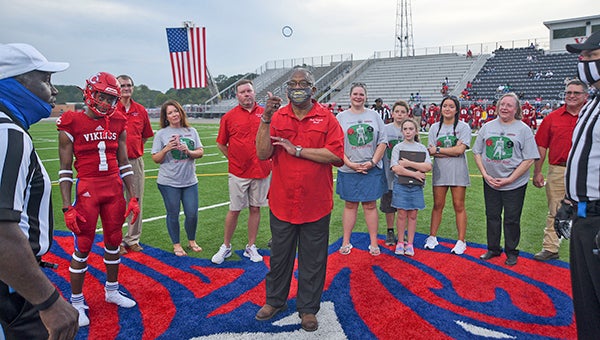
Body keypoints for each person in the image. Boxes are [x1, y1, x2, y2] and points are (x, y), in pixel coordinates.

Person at [254, 68, 344, 332]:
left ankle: (308, 309)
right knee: (280, 257)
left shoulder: (327, 118)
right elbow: (262, 153)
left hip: (315, 203)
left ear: (313, 89)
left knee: (313, 260)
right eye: (292, 83)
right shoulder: (277, 117)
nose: (297, 87)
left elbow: (336, 155)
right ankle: (275, 301)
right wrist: (266, 119)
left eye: (303, 83)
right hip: (283, 201)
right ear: (286, 90)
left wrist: (299, 151)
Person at [0, 43, 79, 339]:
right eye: (45, 80)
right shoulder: (7, 132)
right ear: (16, 83)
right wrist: (47, 301)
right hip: (11, 289)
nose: (53, 91)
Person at [57, 72, 141, 327]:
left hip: (113, 188)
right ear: (89, 93)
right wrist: (66, 206)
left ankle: (112, 290)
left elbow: (125, 163)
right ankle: (77, 301)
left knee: (114, 241)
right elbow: (64, 170)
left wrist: (133, 196)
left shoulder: (118, 120)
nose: (106, 103)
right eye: (102, 96)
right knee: (82, 246)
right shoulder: (71, 122)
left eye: (110, 98)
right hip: (88, 190)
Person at [473, 93, 538, 266]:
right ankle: (493, 248)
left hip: (515, 184)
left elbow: (529, 158)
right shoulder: (487, 127)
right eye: (502, 104)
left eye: (509, 105)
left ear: (516, 109)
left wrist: (510, 179)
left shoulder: (523, 129)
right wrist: (485, 174)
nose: (504, 108)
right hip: (491, 182)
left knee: (511, 218)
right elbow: (477, 152)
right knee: (492, 216)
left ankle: (511, 251)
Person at [564, 31, 600, 338]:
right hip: (583, 215)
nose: (583, 62)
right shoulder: (591, 103)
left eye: (590, 55)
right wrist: (570, 201)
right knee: (586, 302)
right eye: (583, 56)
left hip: (599, 216)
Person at [211, 79, 271, 264]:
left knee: (255, 208)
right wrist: (234, 159)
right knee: (235, 209)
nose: (247, 94)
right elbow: (221, 143)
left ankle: (250, 246)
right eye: (243, 92)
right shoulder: (229, 117)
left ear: (254, 93)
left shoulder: (265, 114)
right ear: (237, 95)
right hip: (238, 172)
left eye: (249, 91)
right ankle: (226, 246)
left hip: (261, 170)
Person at [532, 80, 588, 262]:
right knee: (555, 209)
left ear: (585, 96)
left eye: (576, 93)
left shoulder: (592, 116)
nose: (571, 96)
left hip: (586, 171)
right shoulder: (552, 118)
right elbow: (541, 146)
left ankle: (587, 247)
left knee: (587, 210)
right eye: (568, 92)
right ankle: (550, 247)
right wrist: (537, 171)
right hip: (558, 169)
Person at [336, 83, 387, 256]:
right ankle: (345, 241)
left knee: (370, 205)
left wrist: (372, 162)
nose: (358, 97)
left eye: (361, 94)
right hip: (349, 168)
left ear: (366, 96)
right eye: (355, 94)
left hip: (370, 168)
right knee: (350, 205)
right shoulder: (341, 117)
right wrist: (349, 164)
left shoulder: (374, 116)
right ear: (350, 96)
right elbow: (335, 145)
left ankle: (374, 243)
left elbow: (383, 141)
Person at [151, 100, 204, 257]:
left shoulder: (192, 131)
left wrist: (188, 151)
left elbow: (200, 152)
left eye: (176, 111)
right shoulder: (161, 134)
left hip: (189, 181)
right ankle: (177, 244)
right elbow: (156, 158)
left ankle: (192, 240)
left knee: (192, 213)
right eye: (170, 113)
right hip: (168, 182)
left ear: (181, 112)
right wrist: (167, 148)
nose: (174, 114)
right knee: (173, 213)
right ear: (166, 117)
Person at [424, 96, 471, 254]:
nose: (448, 109)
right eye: (445, 106)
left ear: (457, 109)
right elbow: (432, 152)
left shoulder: (463, 127)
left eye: (451, 106)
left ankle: (461, 240)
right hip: (440, 172)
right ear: (441, 108)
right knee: (438, 205)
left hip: (458, 171)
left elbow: (460, 151)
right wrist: (449, 151)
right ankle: (432, 237)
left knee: (459, 205)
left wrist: (439, 150)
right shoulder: (434, 128)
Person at [115, 74, 154, 255]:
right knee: (115, 203)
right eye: (122, 85)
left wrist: (134, 150)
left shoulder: (140, 110)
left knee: (135, 199)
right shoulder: (111, 109)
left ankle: (132, 239)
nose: (126, 88)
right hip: (113, 162)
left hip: (134, 161)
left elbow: (145, 135)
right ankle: (116, 241)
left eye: (129, 85)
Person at [390, 118, 432, 256]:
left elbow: (427, 166)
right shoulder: (398, 147)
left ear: (416, 131)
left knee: (413, 214)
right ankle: (401, 242)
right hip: (401, 185)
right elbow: (396, 169)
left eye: (411, 129)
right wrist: (415, 174)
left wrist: (408, 163)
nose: (408, 131)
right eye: (405, 129)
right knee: (401, 214)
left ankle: (410, 244)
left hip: (416, 187)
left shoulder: (421, 148)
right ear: (402, 131)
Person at [381, 100, 410, 246]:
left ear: (407, 114)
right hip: (388, 174)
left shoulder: (409, 129)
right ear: (392, 113)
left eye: (403, 112)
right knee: (389, 204)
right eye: (397, 111)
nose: (399, 114)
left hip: (405, 175)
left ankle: (402, 231)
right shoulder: (385, 129)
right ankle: (390, 230)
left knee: (403, 205)